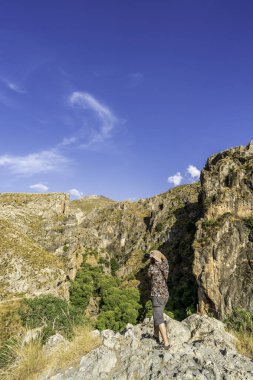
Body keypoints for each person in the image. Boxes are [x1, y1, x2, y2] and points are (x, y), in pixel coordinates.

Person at [147, 249, 170, 349]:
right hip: (164, 295)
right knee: (156, 315)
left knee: (158, 318)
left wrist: (154, 256)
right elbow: (163, 259)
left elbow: (149, 275)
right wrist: (155, 255)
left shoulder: (156, 267)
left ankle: (166, 344)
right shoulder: (165, 265)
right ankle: (156, 336)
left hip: (157, 296)